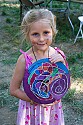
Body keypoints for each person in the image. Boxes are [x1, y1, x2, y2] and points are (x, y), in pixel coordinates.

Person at [10, 9, 68, 125]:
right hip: (32, 110)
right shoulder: (24, 60)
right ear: (27, 34)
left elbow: (65, 81)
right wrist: (34, 100)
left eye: (46, 32)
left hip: (53, 109)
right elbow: (13, 90)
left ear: (53, 31)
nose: (41, 39)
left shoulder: (59, 55)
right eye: (35, 34)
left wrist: (63, 64)